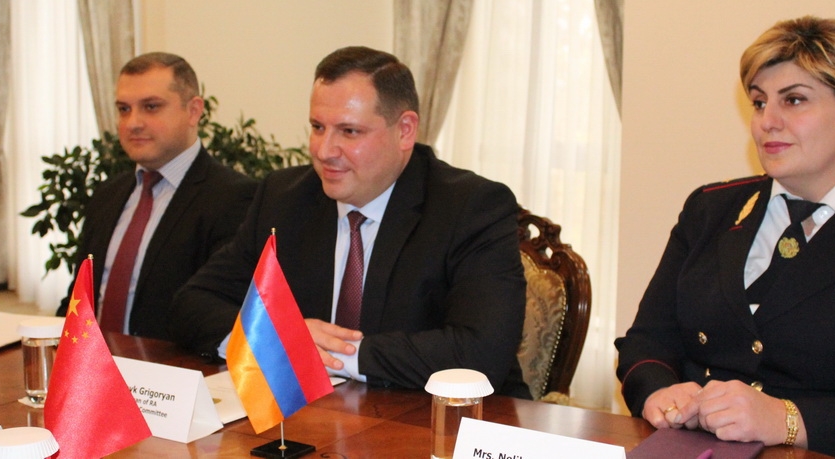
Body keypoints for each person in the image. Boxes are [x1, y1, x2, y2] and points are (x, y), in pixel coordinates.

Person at [615, 16, 835, 458]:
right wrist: (660, 392)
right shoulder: (710, 210)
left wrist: (785, 420)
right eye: (759, 102)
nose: (767, 122)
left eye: (795, 100)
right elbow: (647, 341)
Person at [169, 46, 530, 398]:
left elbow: (480, 353)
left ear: (405, 130)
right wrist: (270, 337)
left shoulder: (470, 207)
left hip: (444, 419)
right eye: (317, 127)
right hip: (319, 416)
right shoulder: (285, 198)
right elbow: (191, 303)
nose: (324, 151)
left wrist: (332, 353)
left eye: (349, 131)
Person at [57, 52, 257, 341]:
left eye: (151, 107)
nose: (133, 123)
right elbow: (76, 301)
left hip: (168, 366)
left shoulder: (235, 198)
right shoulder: (107, 195)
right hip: (87, 362)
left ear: (193, 111)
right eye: (124, 109)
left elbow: (216, 315)